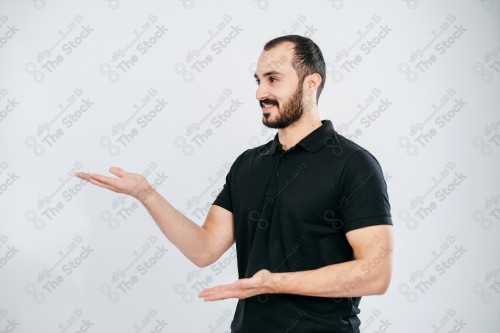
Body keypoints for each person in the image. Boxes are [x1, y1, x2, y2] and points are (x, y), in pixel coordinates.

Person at [75, 35, 393, 333]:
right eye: (258, 81)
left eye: (273, 79)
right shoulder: (248, 164)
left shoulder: (352, 164)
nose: (260, 93)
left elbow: (376, 274)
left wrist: (274, 283)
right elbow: (204, 250)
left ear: (311, 84)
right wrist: (146, 194)